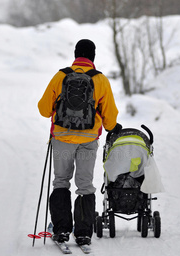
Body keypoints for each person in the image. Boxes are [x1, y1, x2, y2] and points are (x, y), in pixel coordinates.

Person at [38, 39, 121, 245]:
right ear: (93, 57)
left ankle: (62, 230)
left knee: (61, 181)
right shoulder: (100, 80)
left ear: (76, 55)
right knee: (85, 185)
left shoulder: (61, 76)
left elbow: (43, 109)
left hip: (62, 138)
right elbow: (110, 119)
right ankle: (83, 232)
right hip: (88, 140)